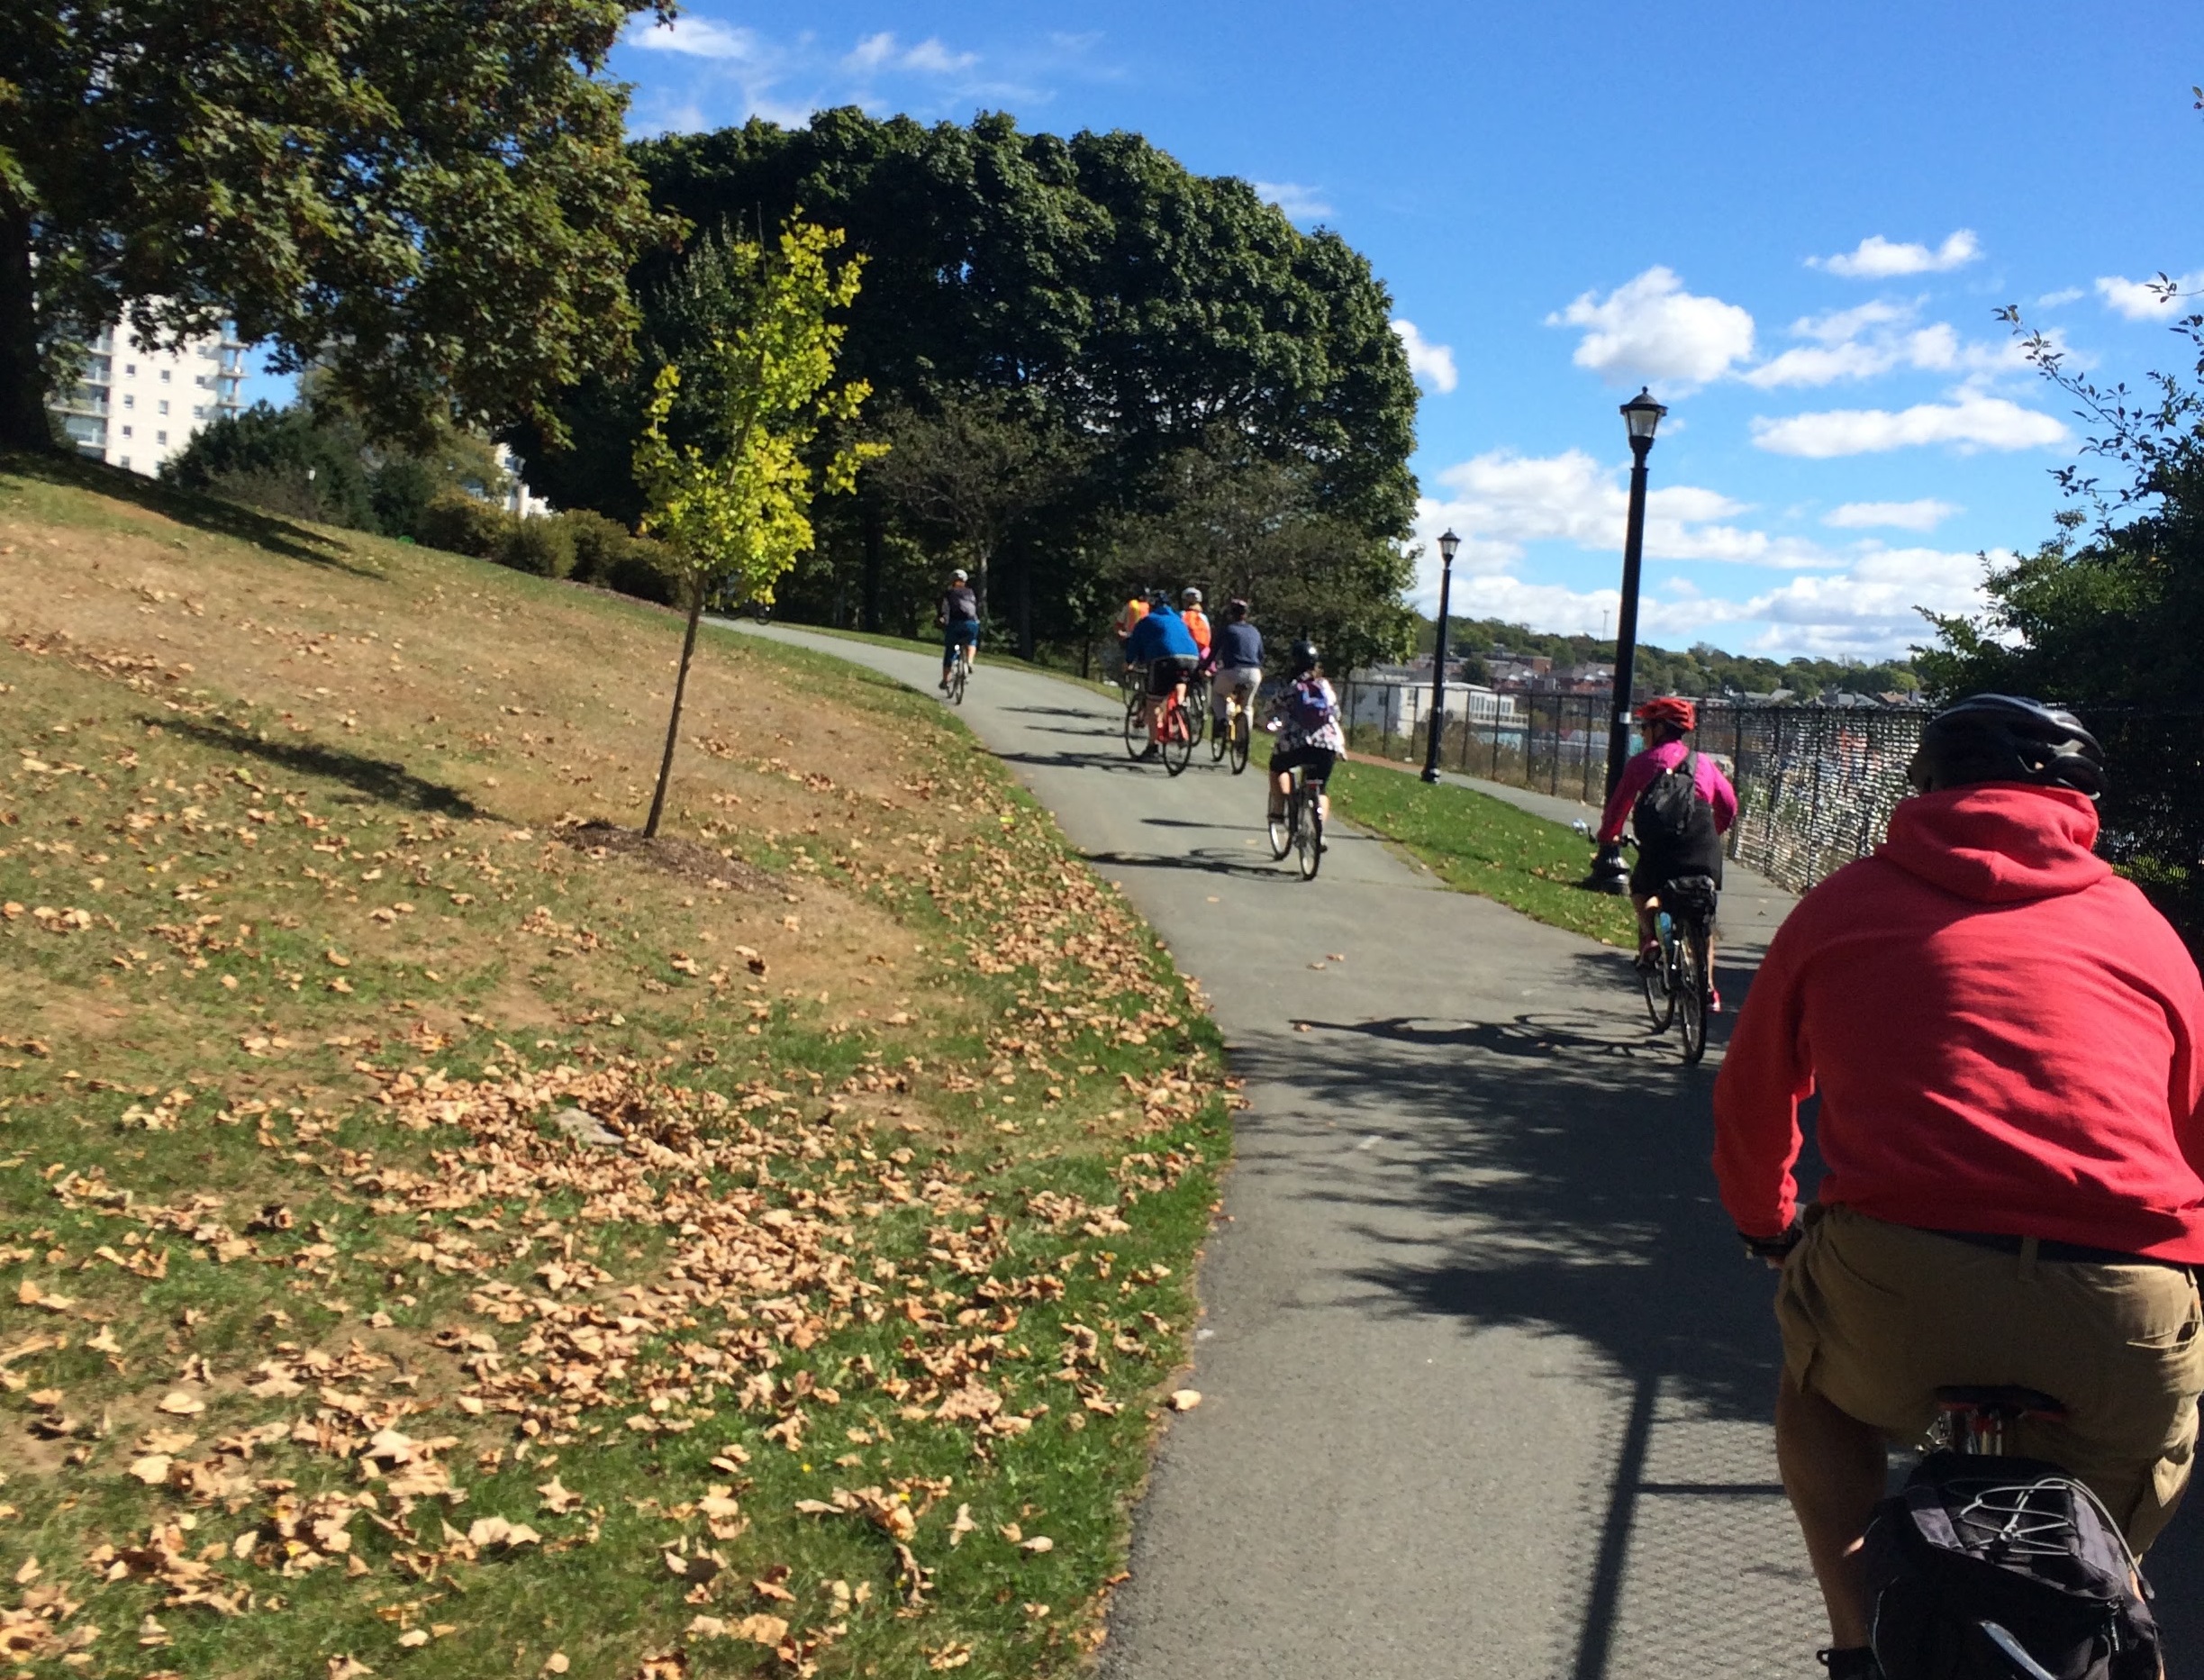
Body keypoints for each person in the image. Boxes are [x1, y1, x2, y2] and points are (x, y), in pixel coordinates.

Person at [1710, 695, 2204, 1680]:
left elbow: (1755, 1093)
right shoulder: (2141, 928)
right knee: (2135, 1475)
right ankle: (2103, 1611)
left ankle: (1856, 1642)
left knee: (1818, 1391)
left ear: (1923, 788)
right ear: (2080, 802)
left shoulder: (1841, 905)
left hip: (1899, 1278)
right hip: (2115, 1296)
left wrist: (1765, 1225)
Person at [1593, 695, 1738, 1008]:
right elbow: (1729, 806)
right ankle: (1708, 989)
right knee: (1702, 917)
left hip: (1660, 851)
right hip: (1703, 847)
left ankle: (1649, 939)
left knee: (1640, 889)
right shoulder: (1705, 764)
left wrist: (1609, 837)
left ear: (1660, 728)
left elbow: (1617, 810)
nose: (1643, 732)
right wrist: (1712, 832)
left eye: (1646, 726)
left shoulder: (1642, 763)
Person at [1265, 640, 1343, 830]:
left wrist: (1272, 722)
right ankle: (1319, 831)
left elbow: (1270, 708)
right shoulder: (1325, 686)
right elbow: (1336, 713)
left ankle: (1278, 808)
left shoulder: (1291, 687)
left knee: (1276, 766)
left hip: (1297, 744)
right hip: (1327, 745)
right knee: (1321, 789)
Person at [1121, 592, 1201, 759]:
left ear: (1152, 606)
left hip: (1165, 659)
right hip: (1192, 658)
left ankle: (1153, 746)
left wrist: (1128, 662)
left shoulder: (1147, 621)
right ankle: (1181, 711)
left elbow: (1134, 644)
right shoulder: (1178, 620)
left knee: (1153, 702)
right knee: (1179, 682)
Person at [1209, 599, 1264, 743]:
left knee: (1217, 694)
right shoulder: (1255, 631)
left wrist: (1203, 668)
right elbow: (1261, 655)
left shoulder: (1228, 630)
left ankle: (1222, 720)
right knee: (1247, 706)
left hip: (1232, 671)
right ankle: (1244, 741)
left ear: (1230, 614)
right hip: (1253, 673)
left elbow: (1213, 652)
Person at [938, 568, 979, 691]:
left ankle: (946, 680)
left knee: (950, 651)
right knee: (972, 641)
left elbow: (944, 610)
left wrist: (942, 618)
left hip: (956, 624)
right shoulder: (971, 592)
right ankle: (969, 662)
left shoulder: (949, 593)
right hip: (972, 624)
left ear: (952, 581)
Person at [1180, 587, 1212, 659]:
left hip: (1187, 653)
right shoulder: (1203, 617)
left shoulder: (1182, 615)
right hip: (1203, 654)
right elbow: (1209, 636)